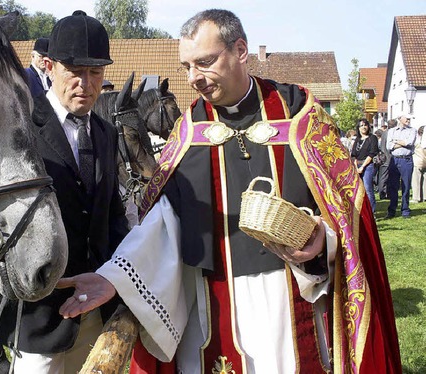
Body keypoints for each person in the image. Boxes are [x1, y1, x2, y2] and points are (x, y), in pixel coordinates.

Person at [56, 9, 401, 374]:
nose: (193, 78)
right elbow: (161, 224)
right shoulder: (189, 131)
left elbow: (346, 211)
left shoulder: (299, 115)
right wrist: (114, 277)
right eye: (187, 66)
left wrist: (323, 241)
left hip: (288, 299)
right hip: (210, 303)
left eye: (204, 63)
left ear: (240, 50)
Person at [0, 11, 129, 374]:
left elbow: (112, 217)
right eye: (75, 71)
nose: (86, 83)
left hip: (96, 309)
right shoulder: (18, 129)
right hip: (37, 318)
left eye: (95, 72)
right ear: (49, 67)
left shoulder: (107, 134)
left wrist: (119, 281)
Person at [385, 113, 417, 218]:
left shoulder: (412, 130)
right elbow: (388, 146)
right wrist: (402, 143)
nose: (408, 120)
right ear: (400, 119)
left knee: (406, 186)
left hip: (406, 160)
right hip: (394, 160)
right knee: (393, 186)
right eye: (406, 118)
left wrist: (396, 142)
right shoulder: (392, 131)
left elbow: (409, 143)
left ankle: (405, 210)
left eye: (409, 118)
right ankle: (392, 211)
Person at [351, 118, 379, 211]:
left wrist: (362, 167)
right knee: (359, 189)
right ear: (358, 128)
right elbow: (354, 154)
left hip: (368, 165)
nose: (363, 127)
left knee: (368, 188)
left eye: (365, 125)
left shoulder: (372, 138)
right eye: (361, 125)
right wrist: (356, 167)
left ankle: (372, 211)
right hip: (357, 165)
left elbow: (372, 153)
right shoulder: (357, 139)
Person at [378, 119, 395, 199]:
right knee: (385, 177)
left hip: (383, 157)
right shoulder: (390, 133)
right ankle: (384, 193)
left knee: (383, 176)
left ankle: (383, 193)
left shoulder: (384, 132)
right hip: (388, 157)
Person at [411, 125, 426, 202]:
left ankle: (416, 197)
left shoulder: (417, 141)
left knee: (416, 181)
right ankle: (424, 196)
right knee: (425, 181)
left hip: (417, 162)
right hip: (425, 161)